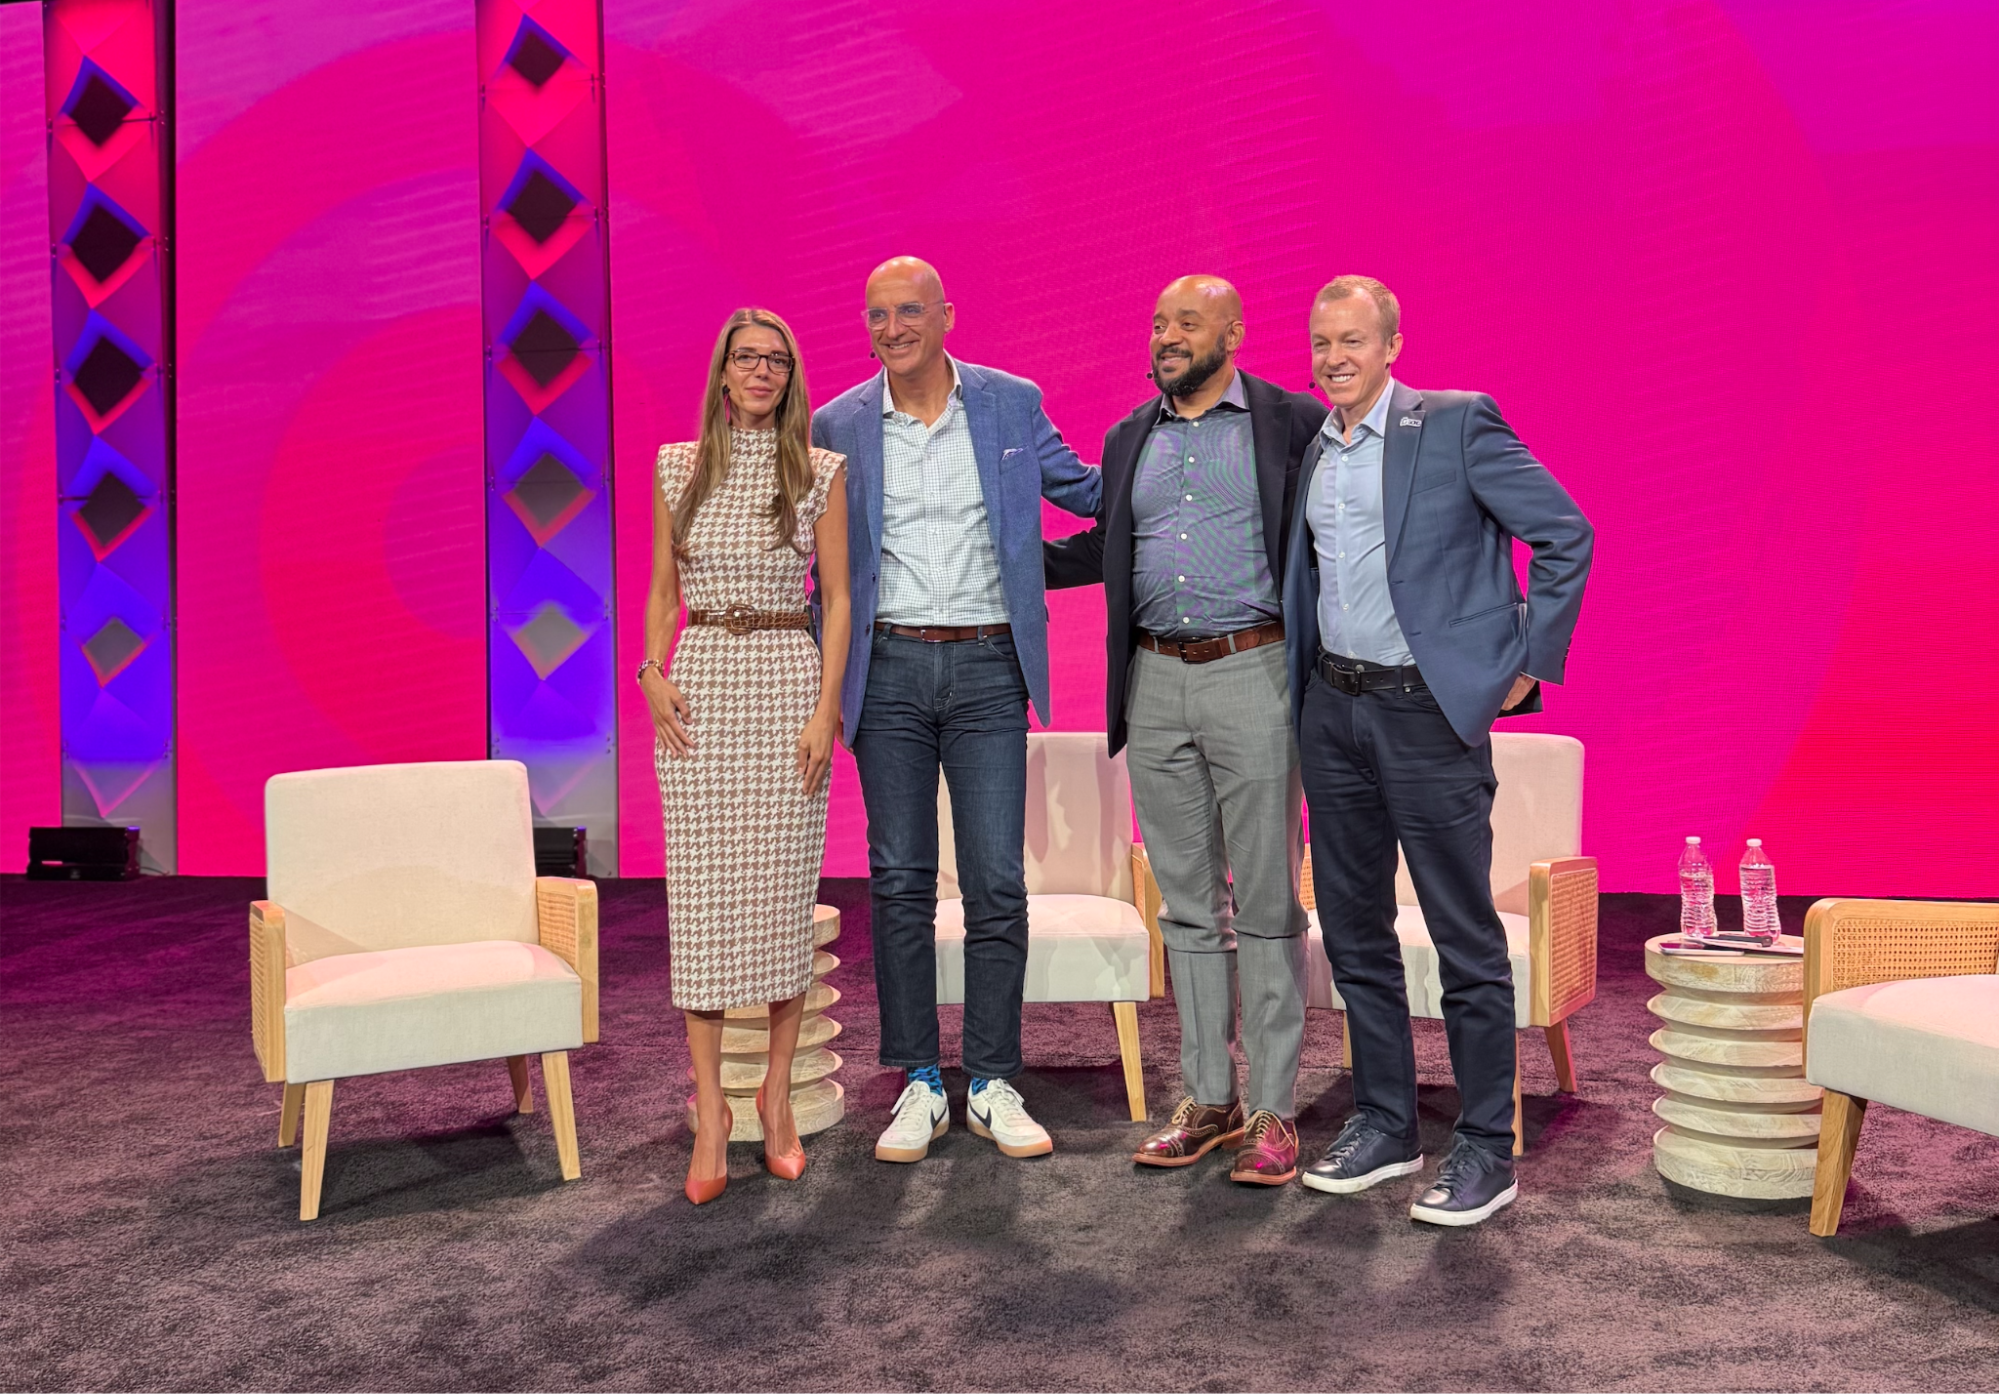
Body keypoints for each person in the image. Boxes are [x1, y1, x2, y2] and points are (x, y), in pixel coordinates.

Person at [1282, 276, 1593, 1225]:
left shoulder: (1455, 424)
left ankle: (1485, 1147)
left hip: (1425, 714)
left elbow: (1563, 533)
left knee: (1463, 935)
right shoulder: (1311, 448)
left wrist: (1521, 666)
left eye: (1352, 341)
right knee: (1355, 933)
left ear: (1391, 345)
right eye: (1321, 341)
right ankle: (1383, 1122)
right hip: (1333, 710)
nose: (1334, 357)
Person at [812, 257, 1100, 1164]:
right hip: (888, 669)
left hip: (986, 669)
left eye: (907, 312)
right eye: (875, 315)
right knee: (896, 882)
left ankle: (992, 1079)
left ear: (944, 315)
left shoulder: (1009, 404)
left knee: (994, 884)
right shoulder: (837, 423)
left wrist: (1175, 460)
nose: (891, 328)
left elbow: (1085, 490)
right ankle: (918, 1083)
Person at [1047, 276, 1327, 1185]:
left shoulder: (1290, 422)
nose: (1167, 335)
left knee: (1270, 905)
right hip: (1154, 678)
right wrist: (1002, 565)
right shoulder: (1131, 436)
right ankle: (1211, 1097)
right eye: (1158, 320)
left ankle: (1275, 1112)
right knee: (1189, 908)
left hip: (1256, 672)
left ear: (1233, 334)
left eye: (1186, 323)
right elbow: (1105, 545)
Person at [642, 308, 851, 1206]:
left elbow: (837, 600)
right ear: (723, 372)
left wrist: (824, 708)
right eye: (747, 358)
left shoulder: (819, 470)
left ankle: (773, 1099)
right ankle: (712, 1108)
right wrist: (649, 671)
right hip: (700, 688)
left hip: (783, 678)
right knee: (701, 906)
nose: (761, 371)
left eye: (776, 360)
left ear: (789, 375)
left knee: (775, 901)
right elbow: (660, 589)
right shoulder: (676, 466)